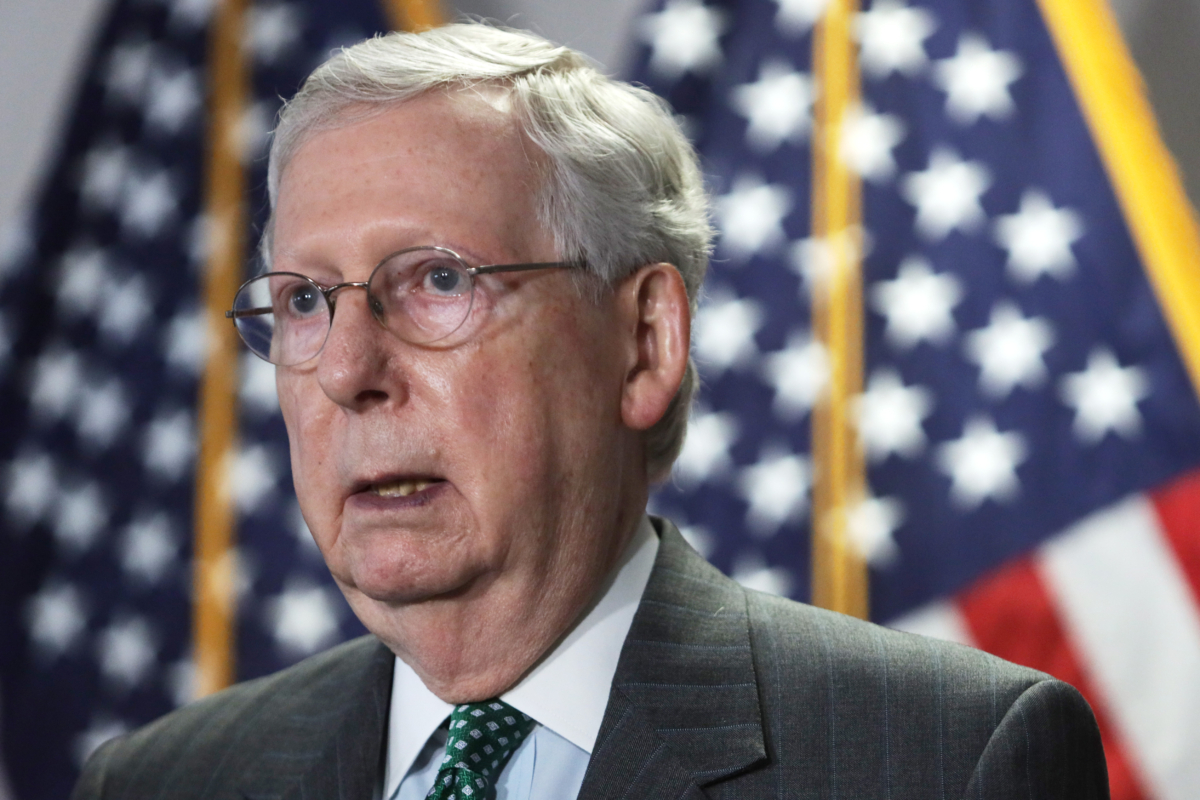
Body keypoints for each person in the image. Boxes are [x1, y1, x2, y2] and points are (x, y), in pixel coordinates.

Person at [72, 23, 1109, 800]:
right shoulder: (161, 782)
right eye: (305, 298)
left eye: (435, 281)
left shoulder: (943, 760)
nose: (347, 368)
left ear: (646, 341)